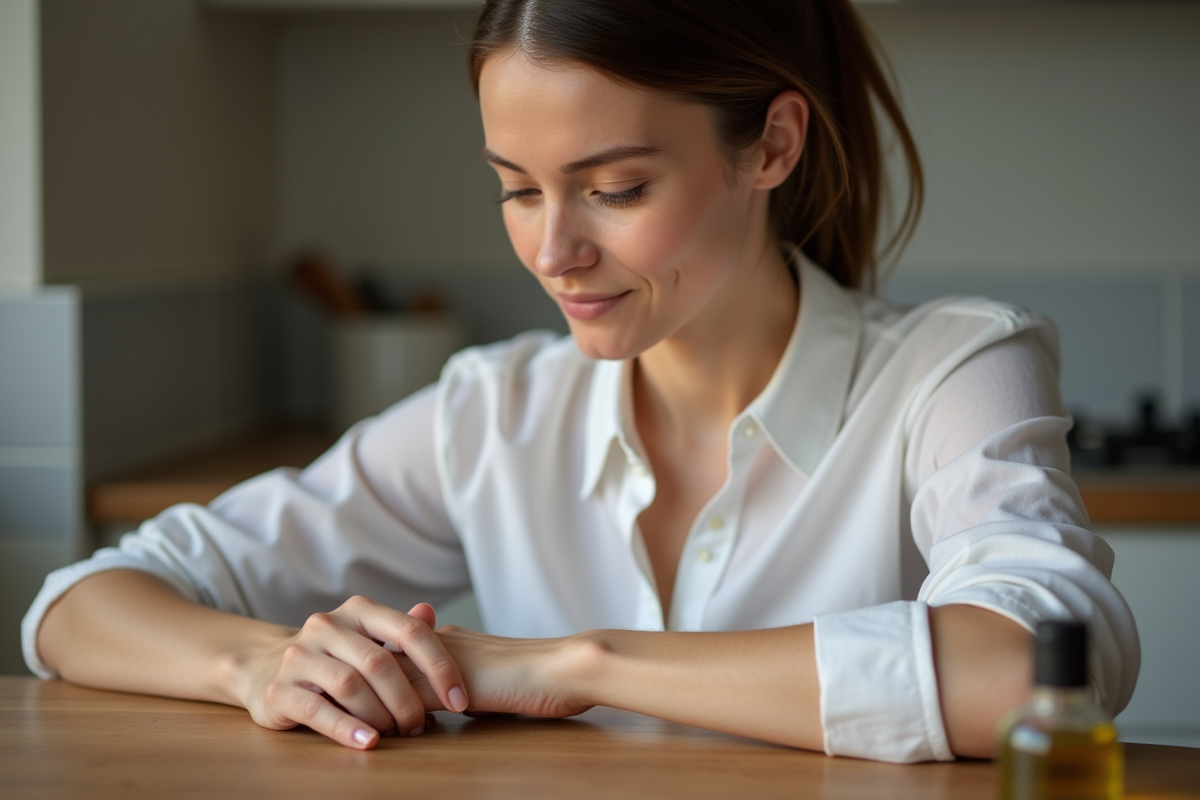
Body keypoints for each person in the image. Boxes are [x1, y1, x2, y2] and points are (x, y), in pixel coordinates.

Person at [23, 0, 1138, 764]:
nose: (552, 250)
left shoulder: (957, 368)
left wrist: (573, 661)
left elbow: (1040, 673)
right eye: (517, 188)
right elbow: (80, 605)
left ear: (773, 145)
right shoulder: (493, 413)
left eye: (613, 187)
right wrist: (267, 663)